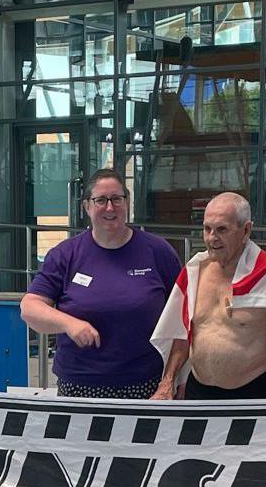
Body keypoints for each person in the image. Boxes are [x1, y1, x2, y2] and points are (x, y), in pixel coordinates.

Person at [20, 169, 183, 398]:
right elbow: (30, 307)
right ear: (86, 206)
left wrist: (172, 380)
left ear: (127, 203)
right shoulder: (65, 255)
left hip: (146, 385)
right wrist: (69, 323)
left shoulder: (158, 252)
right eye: (100, 200)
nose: (110, 207)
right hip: (79, 385)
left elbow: (183, 319)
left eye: (117, 199)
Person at [150, 191, 266, 400]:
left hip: (255, 393)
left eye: (222, 229)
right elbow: (181, 334)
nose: (212, 238)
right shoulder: (195, 271)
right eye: (207, 229)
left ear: (246, 230)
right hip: (199, 392)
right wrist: (167, 382)